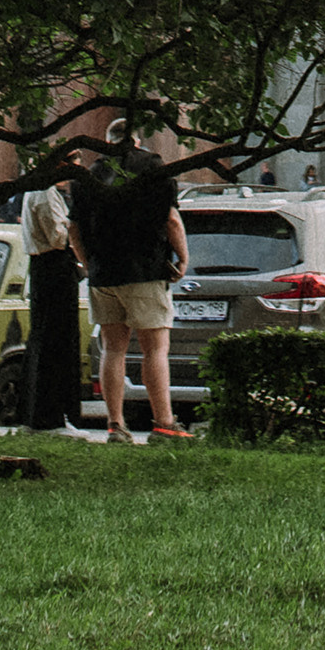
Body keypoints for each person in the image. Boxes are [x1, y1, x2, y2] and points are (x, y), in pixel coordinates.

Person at [80, 151, 196, 444]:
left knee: (113, 349)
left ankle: (115, 426)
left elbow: (72, 227)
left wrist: (88, 263)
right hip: (145, 270)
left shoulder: (91, 174)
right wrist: (182, 259)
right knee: (155, 349)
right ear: (137, 140)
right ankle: (165, 425)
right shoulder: (153, 168)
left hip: (103, 274)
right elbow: (172, 220)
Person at [19, 166, 87, 434]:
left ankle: (40, 415)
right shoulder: (45, 193)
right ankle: (51, 416)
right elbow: (58, 237)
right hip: (54, 266)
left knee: (44, 339)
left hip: (44, 268)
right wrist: (75, 226)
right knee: (57, 340)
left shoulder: (36, 192)